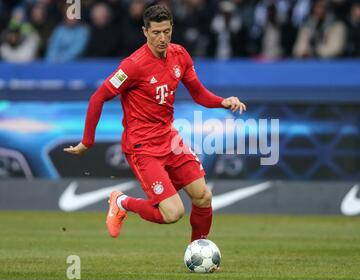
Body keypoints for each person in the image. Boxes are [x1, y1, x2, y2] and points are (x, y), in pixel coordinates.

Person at [63, 5, 246, 242]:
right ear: (145, 32)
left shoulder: (180, 55)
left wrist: (224, 102)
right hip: (142, 147)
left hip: (169, 139)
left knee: (203, 196)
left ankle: (198, 251)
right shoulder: (133, 65)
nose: (162, 38)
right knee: (173, 213)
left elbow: (198, 94)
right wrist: (87, 141)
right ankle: (121, 202)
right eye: (156, 32)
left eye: (167, 32)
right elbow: (98, 97)